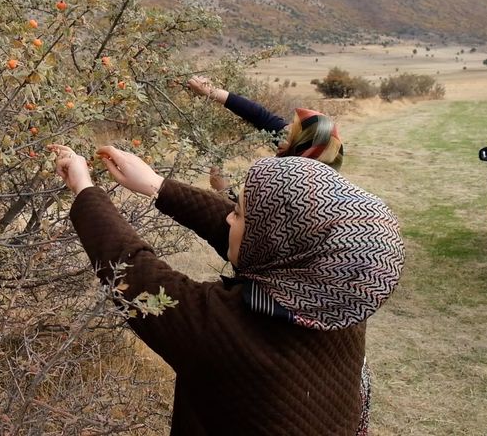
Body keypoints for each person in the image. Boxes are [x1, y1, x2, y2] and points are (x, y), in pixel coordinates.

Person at [49, 143, 404, 435]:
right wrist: (157, 185)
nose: (229, 217)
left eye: (240, 213)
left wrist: (85, 190)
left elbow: (134, 273)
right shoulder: (334, 297)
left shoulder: (226, 331)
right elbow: (255, 239)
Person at [188, 76, 344, 194]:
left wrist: (224, 190)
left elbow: (247, 228)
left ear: (302, 147)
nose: (284, 127)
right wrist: (211, 92)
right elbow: (259, 115)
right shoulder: (300, 153)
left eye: (293, 129)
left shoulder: (292, 191)